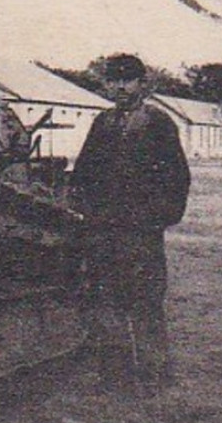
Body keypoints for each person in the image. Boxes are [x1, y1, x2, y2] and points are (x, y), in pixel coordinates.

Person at [67, 53, 191, 396]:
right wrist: (83, 209)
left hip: (140, 233)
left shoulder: (158, 122)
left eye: (127, 80)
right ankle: (115, 377)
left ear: (142, 84)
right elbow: (83, 173)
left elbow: (177, 178)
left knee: (146, 305)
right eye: (112, 80)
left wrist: (156, 219)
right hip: (104, 232)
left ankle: (155, 377)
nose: (119, 87)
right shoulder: (102, 123)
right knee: (107, 305)